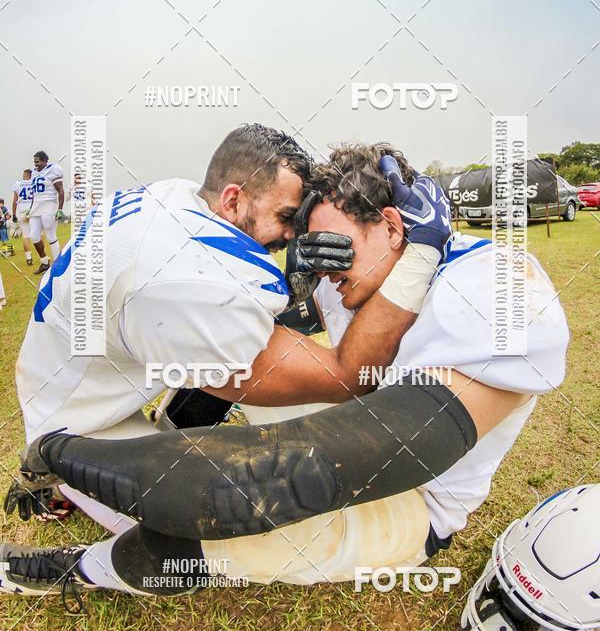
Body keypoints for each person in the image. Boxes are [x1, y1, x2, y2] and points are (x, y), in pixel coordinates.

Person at [1, 143, 568, 602]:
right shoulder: (362, 266)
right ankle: (160, 447)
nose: (322, 262)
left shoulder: (497, 291)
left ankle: (82, 570)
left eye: (331, 246)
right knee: (230, 354)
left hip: (413, 493)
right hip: (358, 415)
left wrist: (57, 456)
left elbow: (298, 471)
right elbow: (260, 344)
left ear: (395, 227)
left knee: (194, 539)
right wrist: (298, 284)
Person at [28, 151, 65, 274]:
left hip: (49, 203)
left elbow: (60, 190)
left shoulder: (53, 170)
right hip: (36, 207)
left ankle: (58, 264)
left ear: (45, 161)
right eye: (34, 161)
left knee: (50, 234)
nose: (35, 164)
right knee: (33, 236)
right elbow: (34, 194)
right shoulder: (33, 173)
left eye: (37, 161)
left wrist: (60, 209)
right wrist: (31, 207)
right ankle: (44, 262)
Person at [11, 169, 34, 266]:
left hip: (22, 211)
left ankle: (28, 258)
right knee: (40, 233)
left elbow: (14, 202)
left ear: (25, 175)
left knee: (25, 236)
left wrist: (14, 214)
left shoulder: (18, 183)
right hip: (33, 211)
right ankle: (43, 256)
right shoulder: (34, 182)